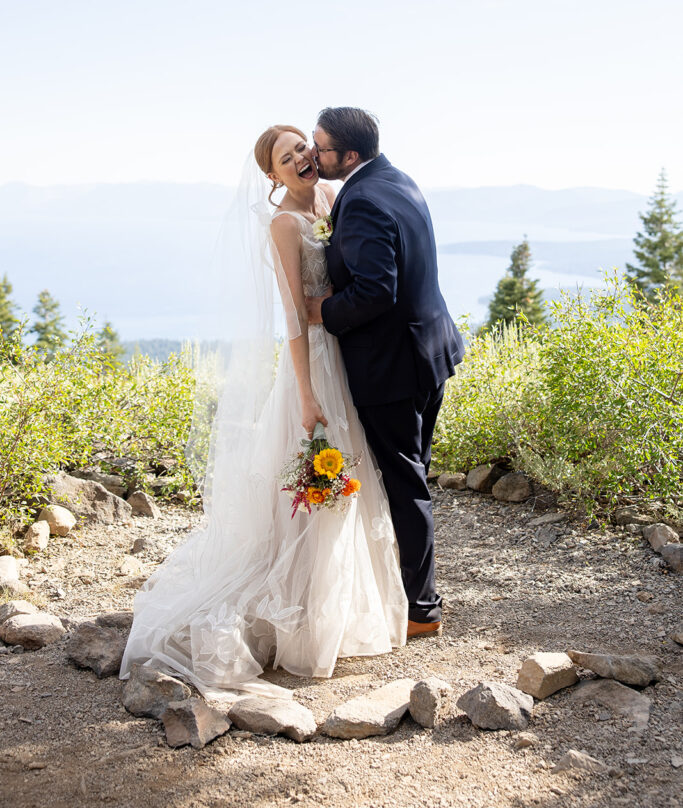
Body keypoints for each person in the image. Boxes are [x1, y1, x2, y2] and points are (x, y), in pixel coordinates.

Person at [119, 125, 407, 697]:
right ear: (272, 175)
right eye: (286, 155)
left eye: (303, 147)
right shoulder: (282, 224)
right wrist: (305, 393)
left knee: (351, 481)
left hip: (350, 356)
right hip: (317, 363)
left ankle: (338, 606)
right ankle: (302, 617)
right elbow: (293, 318)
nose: (301, 157)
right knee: (318, 481)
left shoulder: (330, 198)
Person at [307, 107, 464, 638]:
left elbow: (376, 290)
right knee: (411, 472)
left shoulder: (364, 201)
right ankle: (407, 589)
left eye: (320, 147)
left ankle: (422, 609)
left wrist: (321, 312)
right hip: (429, 352)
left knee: (404, 481)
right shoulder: (396, 179)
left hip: (392, 365)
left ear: (348, 156)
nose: (313, 154)